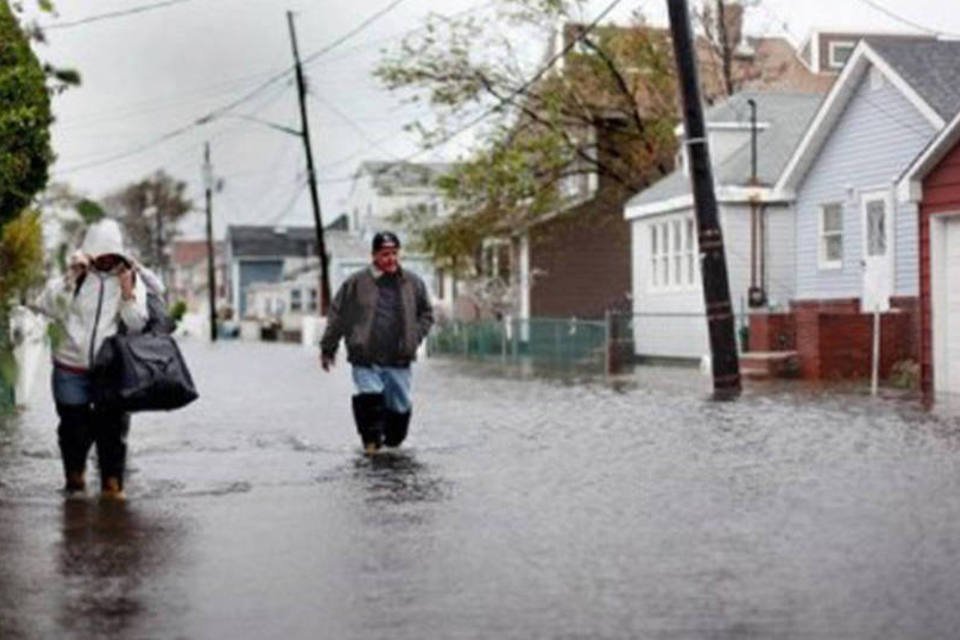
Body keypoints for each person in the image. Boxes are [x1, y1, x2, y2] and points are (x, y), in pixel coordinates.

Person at [33, 219, 150, 500]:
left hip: (110, 371)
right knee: (73, 431)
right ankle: (75, 483)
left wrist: (127, 292)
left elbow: (136, 325)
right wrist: (70, 278)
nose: (108, 261)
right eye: (102, 256)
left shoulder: (130, 278)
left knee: (112, 433)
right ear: (90, 253)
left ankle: (112, 490)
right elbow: (44, 306)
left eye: (113, 255)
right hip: (69, 368)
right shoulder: (75, 276)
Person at [320, 231, 434, 454]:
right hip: (366, 357)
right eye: (384, 254)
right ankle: (371, 446)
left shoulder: (413, 283)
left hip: (398, 358)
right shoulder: (356, 283)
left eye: (394, 253)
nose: (390, 259)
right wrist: (328, 348)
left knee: (398, 410)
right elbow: (338, 317)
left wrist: (414, 337)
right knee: (370, 398)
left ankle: (392, 445)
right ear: (374, 255)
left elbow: (426, 314)